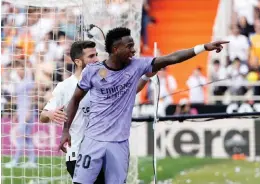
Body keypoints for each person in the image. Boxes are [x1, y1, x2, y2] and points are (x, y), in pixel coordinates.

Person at [58, 27, 228, 184]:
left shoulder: (137, 65)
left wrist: (204, 47)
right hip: (92, 141)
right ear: (116, 49)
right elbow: (75, 99)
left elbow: (172, 58)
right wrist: (66, 129)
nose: (134, 50)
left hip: (119, 144)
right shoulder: (93, 71)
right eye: (130, 46)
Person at [40, 40, 154, 182]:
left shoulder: (104, 75)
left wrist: (145, 76)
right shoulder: (65, 87)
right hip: (79, 153)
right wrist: (50, 114)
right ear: (78, 62)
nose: (96, 59)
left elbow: (129, 91)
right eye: (91, 56)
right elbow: (43, 116)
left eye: (96, 55)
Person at [5, 61, 37, 168]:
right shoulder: (19, 82)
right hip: (21, 112)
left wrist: (28, 111)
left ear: (24, 69)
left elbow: (32, 97)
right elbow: (19, 99)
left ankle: (16, 161)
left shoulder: (29, 81)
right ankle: (32, 161)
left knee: (20, 136)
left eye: (20, 69)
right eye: (17, 69)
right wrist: (16, 113)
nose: (18, 71)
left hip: (28, 112)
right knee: (27, 137)